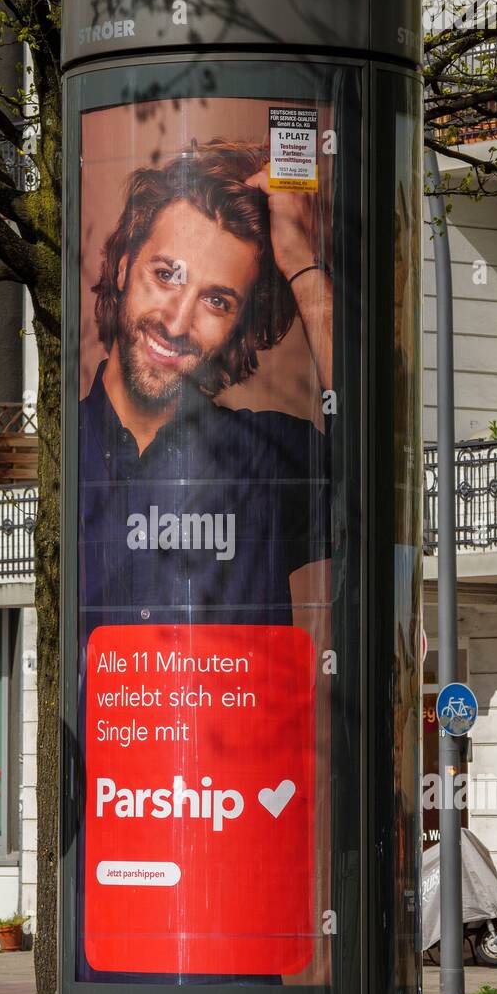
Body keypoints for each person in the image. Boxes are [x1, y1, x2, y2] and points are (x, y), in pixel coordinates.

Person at [79, 138, 334, 632]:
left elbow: (384, 477)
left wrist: (302, 263)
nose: (177, 322)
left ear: (239, 327)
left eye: (216, 301)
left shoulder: (266, 459)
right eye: (166, 275)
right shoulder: (64, 452)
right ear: (125, 265)